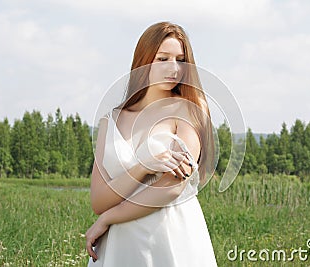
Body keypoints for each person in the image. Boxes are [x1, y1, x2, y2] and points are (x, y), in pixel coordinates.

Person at [85, 21, 218, 267]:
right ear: (144, 61)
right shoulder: (111, 120)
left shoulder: (189, 108)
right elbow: (99, 201)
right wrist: (142, 166)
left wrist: (108, 219)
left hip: (170, 238)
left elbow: (173, 187)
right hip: (119, 245)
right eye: (163, 59)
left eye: (180, 60)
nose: (174, 68)